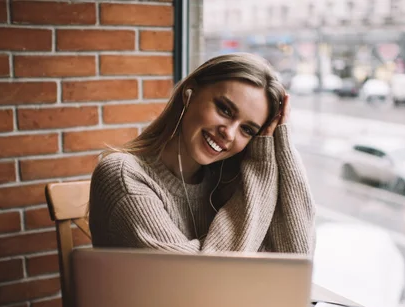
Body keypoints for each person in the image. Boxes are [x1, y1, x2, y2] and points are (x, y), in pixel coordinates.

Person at [89, 53, 316, 254]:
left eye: (247, 130)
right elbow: (192, 278)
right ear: (189, 95)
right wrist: (261, 165)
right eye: (224, 109)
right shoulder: (123, 174)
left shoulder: (225, 179)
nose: (229, 133)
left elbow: (297, 255)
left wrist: (280, 143)